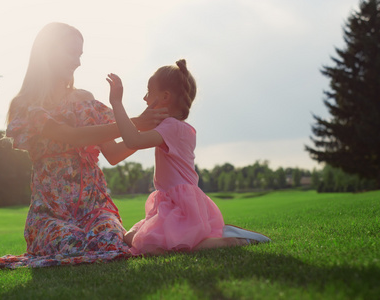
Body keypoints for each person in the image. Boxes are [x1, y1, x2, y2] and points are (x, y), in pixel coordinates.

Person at [0, 22, 166, 270]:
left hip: (94, 209)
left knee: (109, 239)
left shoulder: (84, 100)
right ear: (49, 51)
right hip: (52, 215)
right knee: (69, 243)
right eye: (72, 53)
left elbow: (115, 154)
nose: (77, 62)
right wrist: (135, 123)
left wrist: (153, 130)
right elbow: (72, 136)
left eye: (80, 55)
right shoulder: (27, 105)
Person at [106, 60, 270, 255]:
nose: (144, 98)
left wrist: (116, 103)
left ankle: (229, 241)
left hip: (180, 206)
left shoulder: (172, 128)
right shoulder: (173, 128)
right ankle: (213, 237)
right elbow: (128, 144)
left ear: (165, 97)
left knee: (152, 246)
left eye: (149, 92)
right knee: (131, 237)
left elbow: (133, 140)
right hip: (171, 203)